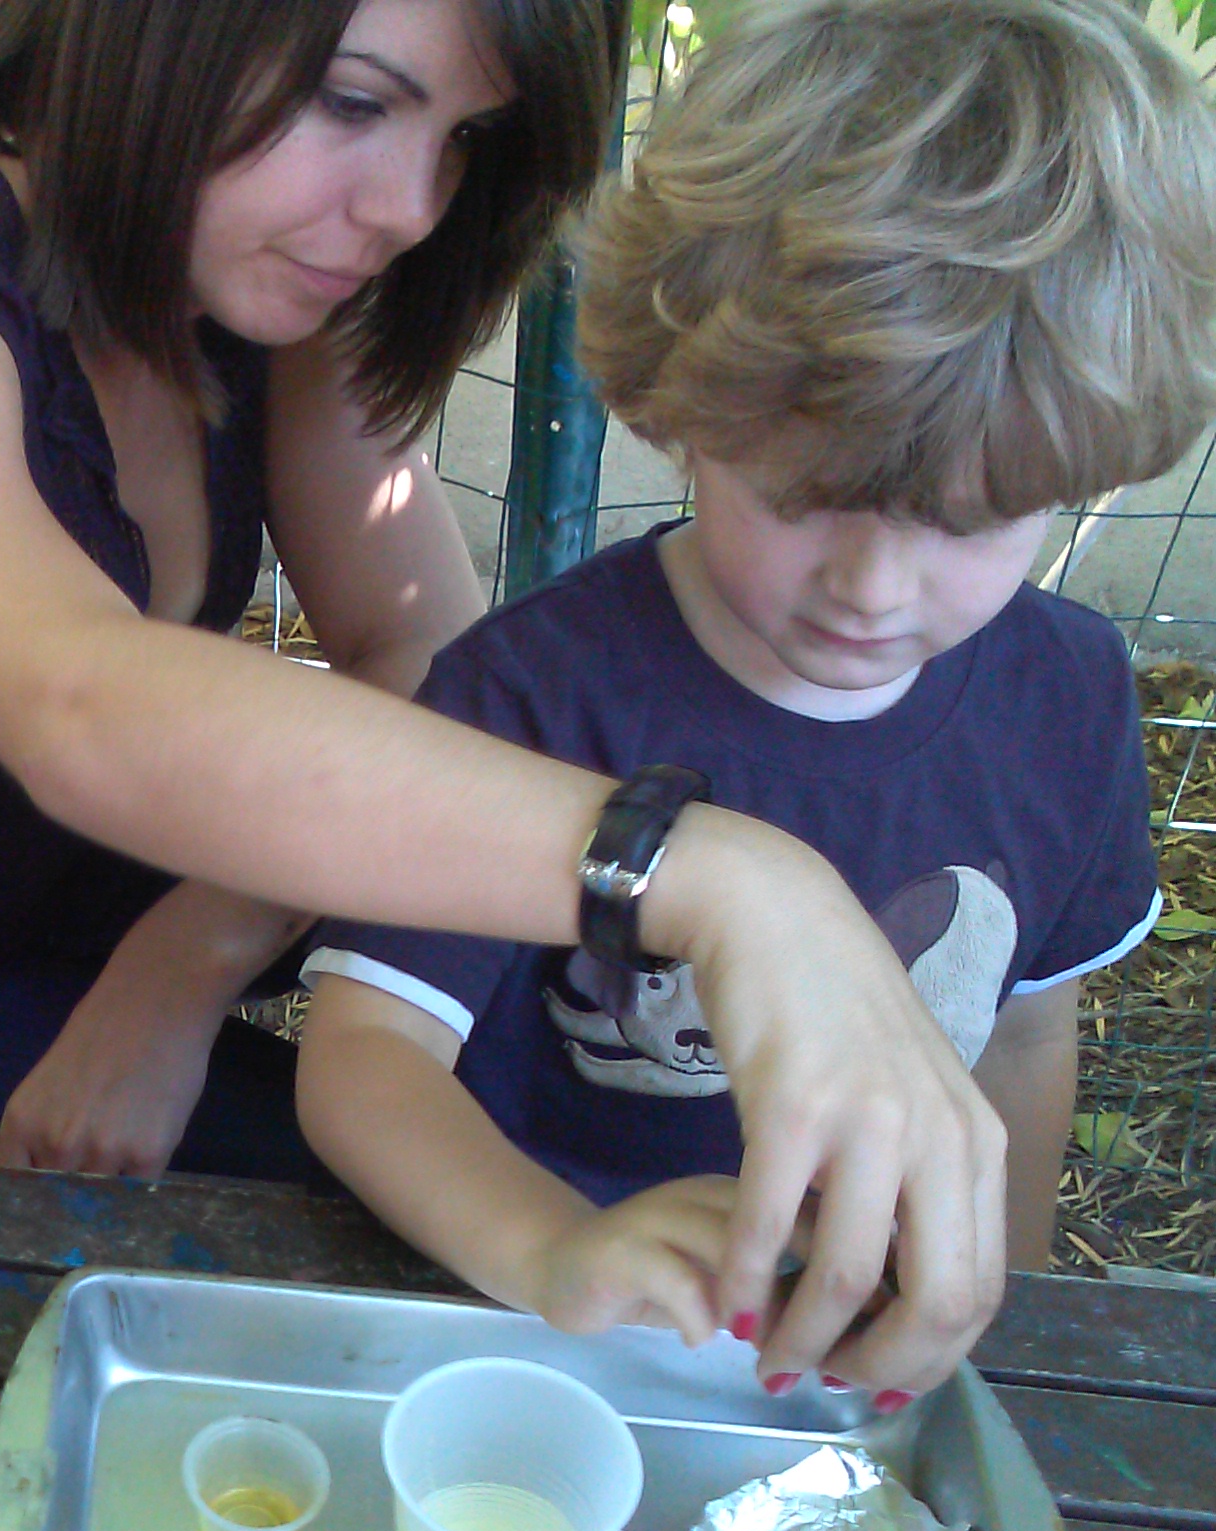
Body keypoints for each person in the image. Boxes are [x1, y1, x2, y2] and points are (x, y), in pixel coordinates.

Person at [0, 0, 1011, 1398]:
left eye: (464, 139)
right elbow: (79, 703)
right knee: (481, 1276)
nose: (411, 208)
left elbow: (419, 651)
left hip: (85, 978)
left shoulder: (251, 296)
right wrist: (714, 879)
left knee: (530, 1214)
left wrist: (178, 971)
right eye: (357, 104)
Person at [295, 0, 1214, 1389]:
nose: (872, 588)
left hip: (838, 1353)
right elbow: (367, 1053)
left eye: (974, 520)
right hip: (524, 1328)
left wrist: (993, 1317)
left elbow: (1024, 1029)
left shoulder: (1070, 698)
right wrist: (554, 1247)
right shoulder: (533, 694)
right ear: (682, 403)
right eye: (804, 493)